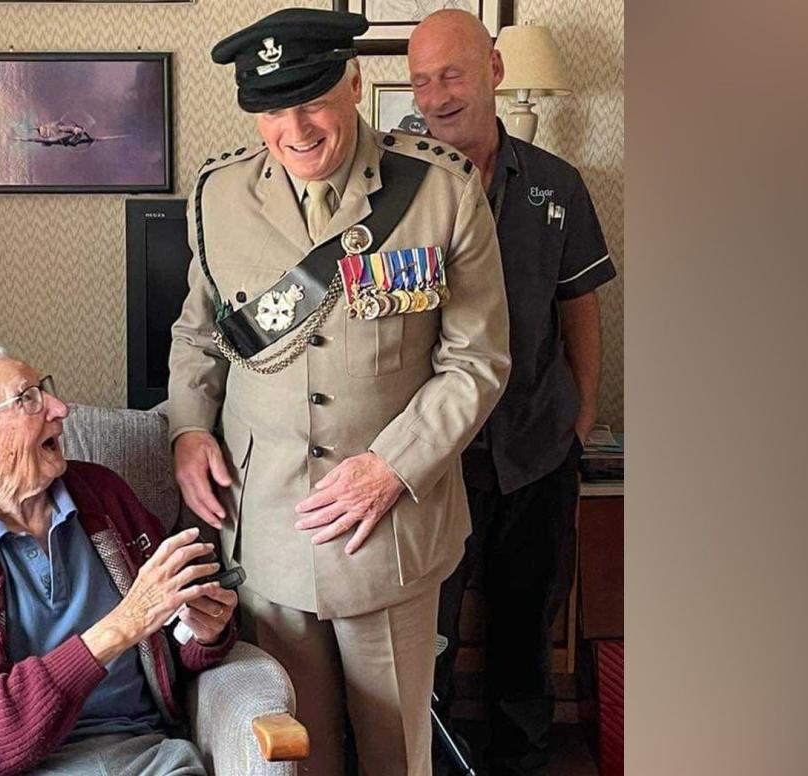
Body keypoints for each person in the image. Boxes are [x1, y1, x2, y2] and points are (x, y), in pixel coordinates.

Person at [166, 8, 511, 775]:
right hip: (267, 528)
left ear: (354, 82)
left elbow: (477, 362)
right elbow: (200, 334)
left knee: (396, 756)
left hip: (387, 529)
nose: (296, 127)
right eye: (271, 108)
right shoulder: (217, 198)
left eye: (313, 98)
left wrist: (392, 467)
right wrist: (189, 429)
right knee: (293, 756)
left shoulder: (441, 192)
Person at [407, 10, 618, 775]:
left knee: (526, 627)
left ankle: (522, 761)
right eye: (421, 79)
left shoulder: (557, 185)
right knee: (421, 631)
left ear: (494, 72)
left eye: (452, 74)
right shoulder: (392, 186)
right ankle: (424, 758)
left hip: (535, 447)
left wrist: (583, 414)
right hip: (432, 458)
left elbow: (580, 303)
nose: (435, 96)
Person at [0, 344, 237, 776]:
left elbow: (171, 639)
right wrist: (125, 623)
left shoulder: (105, 496)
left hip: (142, 754)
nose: (60, 408)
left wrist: (203, 633)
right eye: (27, 399)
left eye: (46, 391)